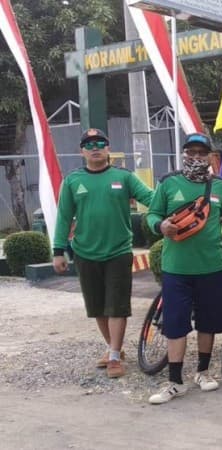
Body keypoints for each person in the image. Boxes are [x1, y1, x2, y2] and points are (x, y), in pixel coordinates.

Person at [145, 133, 222, 404]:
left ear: (210, 156)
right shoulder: (168, 182)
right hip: (176, 269)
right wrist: (160, 225)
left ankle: (203, 372)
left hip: (211, 267)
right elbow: (152, 214)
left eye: (201, 153)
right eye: (191, 152)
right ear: (184, 154)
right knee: (175, 325)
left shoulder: (220, 186)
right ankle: (175, 382)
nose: (196, 157)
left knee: (208, 322)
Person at [52, 128, 153, 379]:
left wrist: (175, 201)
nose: (95, 148)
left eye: (100, 143)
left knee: (117, 306)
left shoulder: (124, 177)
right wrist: (58, 251)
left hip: (118, 251)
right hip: (85, 253)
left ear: (108, 148)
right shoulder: (73, 181)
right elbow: (64, 217)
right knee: (97, 307)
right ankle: (113, 347)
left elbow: (151, 198)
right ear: (81, 151)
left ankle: (115, 356)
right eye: (89, 144)